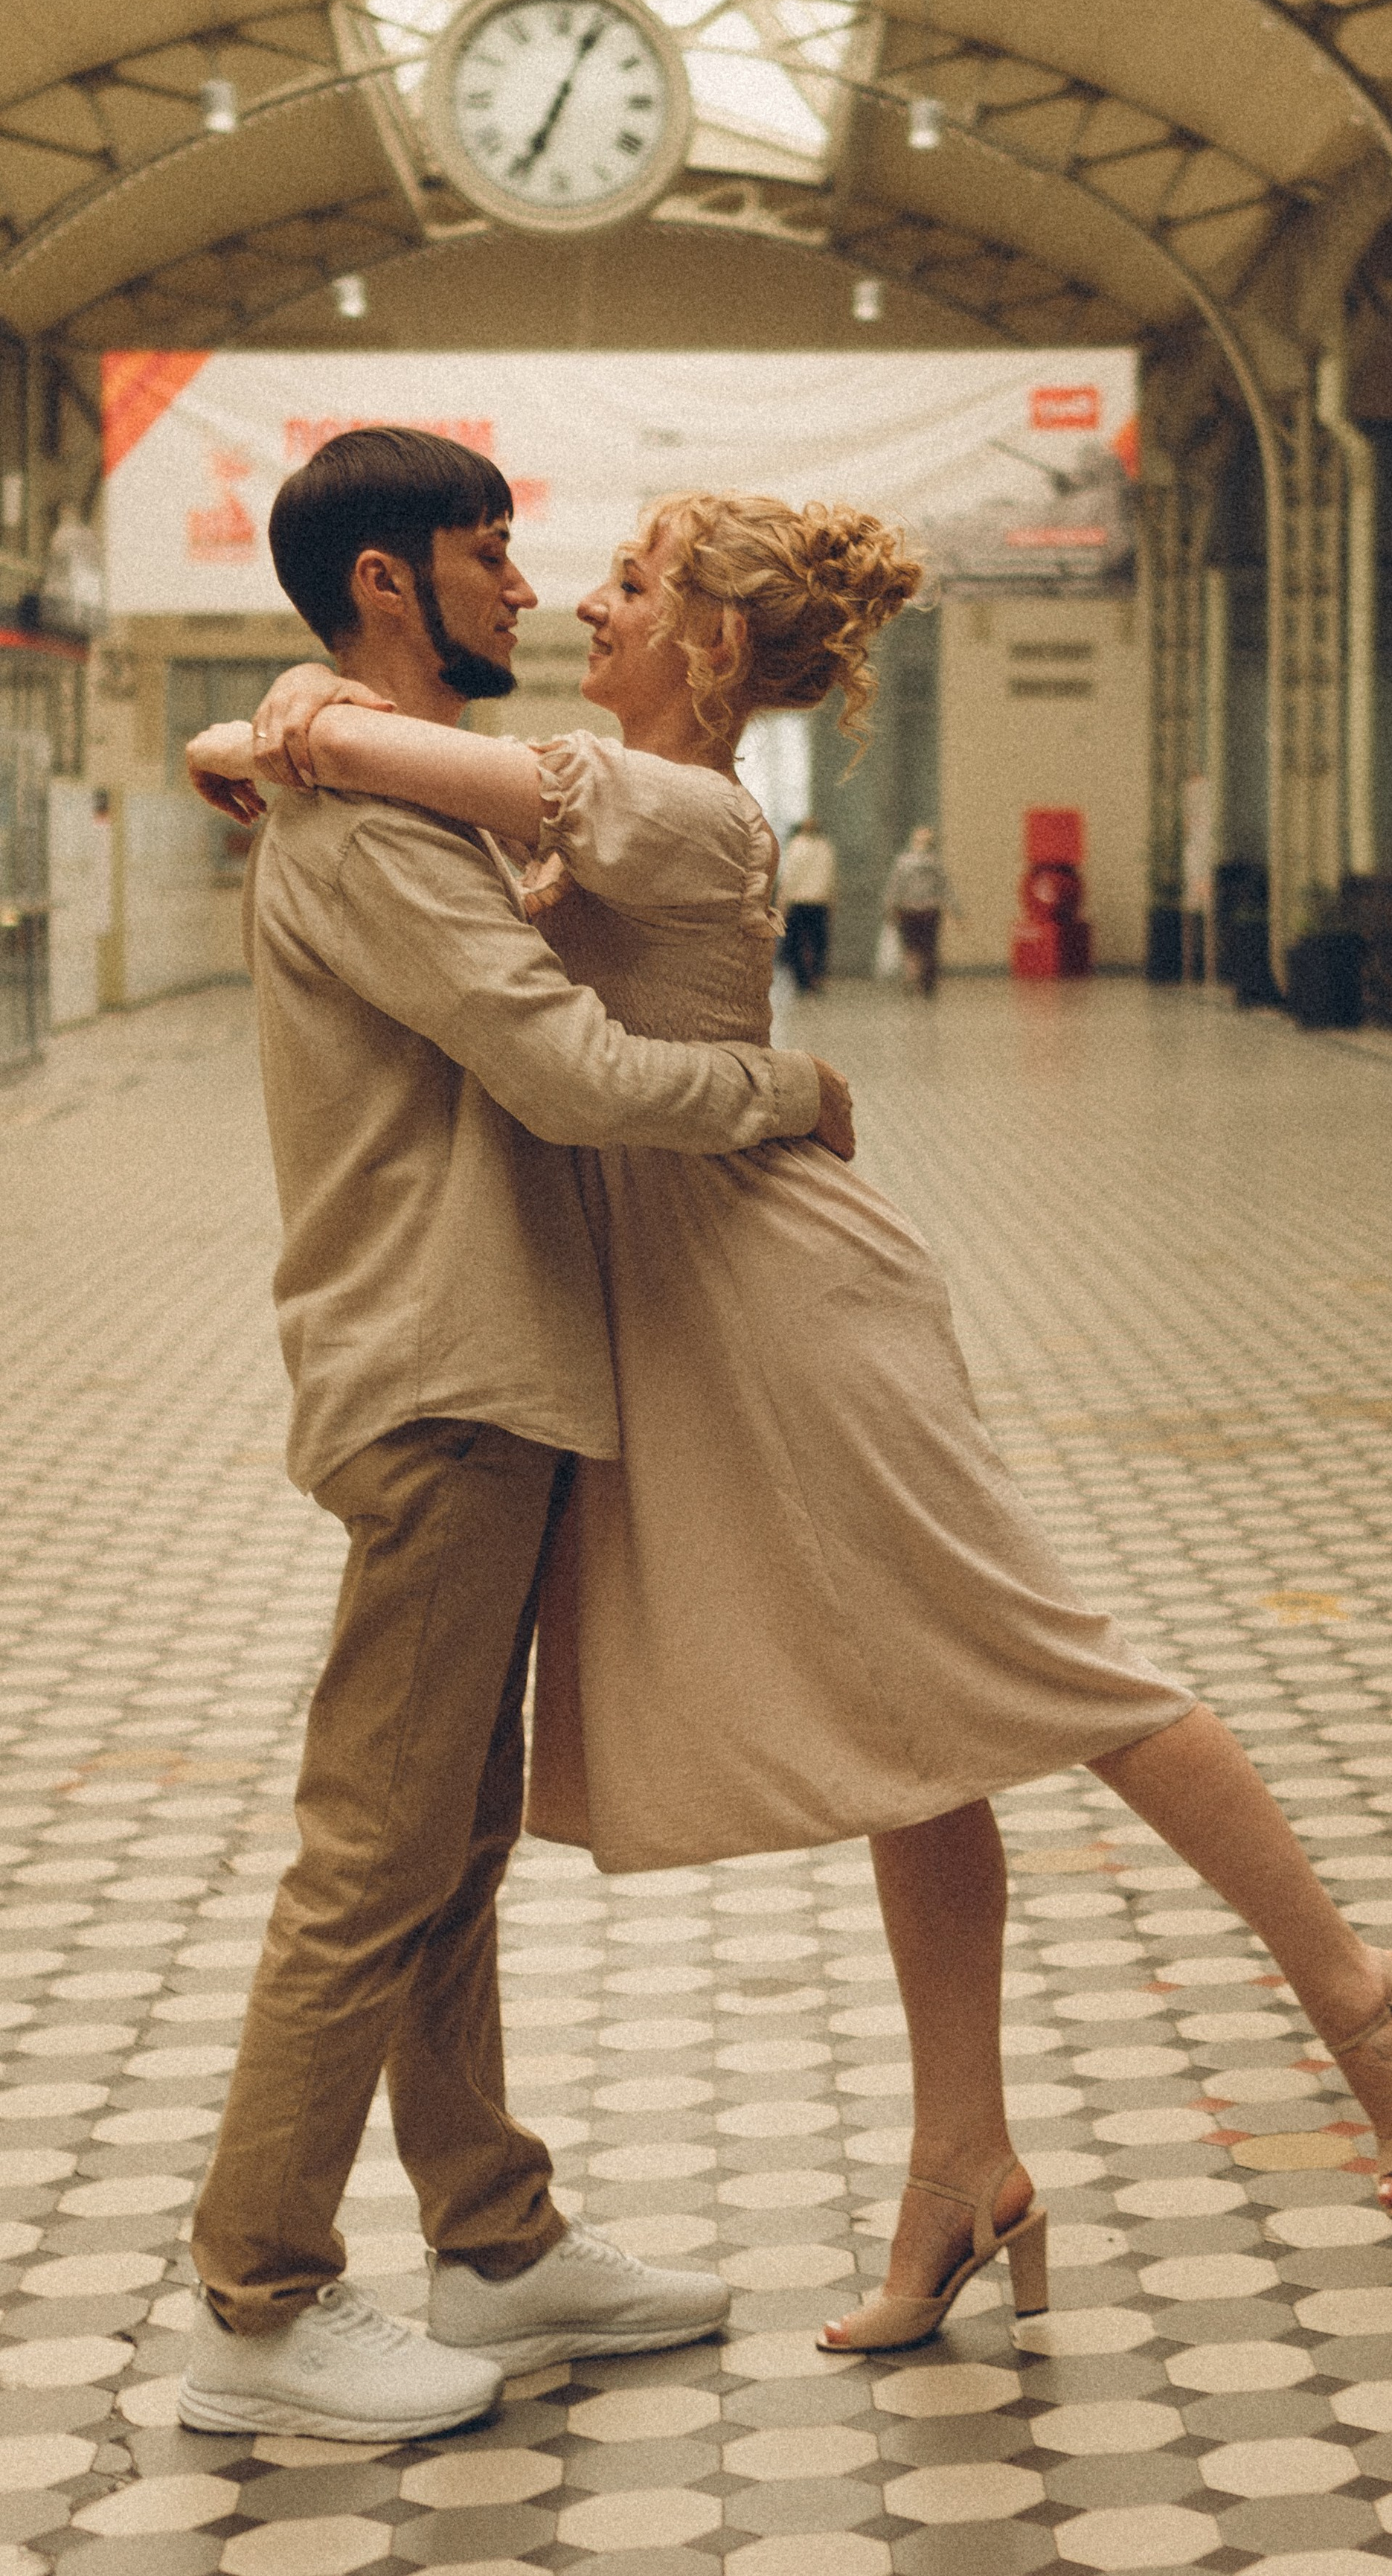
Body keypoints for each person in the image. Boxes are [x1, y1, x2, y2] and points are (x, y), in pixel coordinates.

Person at [193, 487, 1392, 2368]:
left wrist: (290, 723)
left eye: (630, 588)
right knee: (910, 1728)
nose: (583, 605)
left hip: (791, 1303)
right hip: (711, 1309)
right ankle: (957, 2161)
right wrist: (263, 725)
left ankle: (1360, 1999)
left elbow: (383, 764)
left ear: (709, 647)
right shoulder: (604, 792)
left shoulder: (678, 801)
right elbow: (337, 756)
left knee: (1048, 1666)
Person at [178, 433, 853, 2444]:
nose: (526, 587)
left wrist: (283, 718)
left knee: (446, 1849)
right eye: (485, 556)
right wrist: (785, 1090)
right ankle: (257, 2301)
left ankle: (491, 2238)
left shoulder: (380, 789)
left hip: (488, 1365)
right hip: (442, 1370)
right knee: (375, 1853)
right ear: (391, 584)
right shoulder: (374, 828)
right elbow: (563, 1070)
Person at [882, 822, 958, 993]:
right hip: (910, 910)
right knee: (912, 947)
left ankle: (925, 982)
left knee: (926, 948)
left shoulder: (934, 863)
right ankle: (912, 978)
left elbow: (944, 887)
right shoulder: (904, 862)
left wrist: (955, 909)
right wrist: (890, 906)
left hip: (928, 911)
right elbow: (895, 886)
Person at [776, 814, 835, 992]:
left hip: (799, 901)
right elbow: (831, 878)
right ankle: (815, 978)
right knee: (818, 942)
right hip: (819, 901)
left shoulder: (796, 847)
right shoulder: (826, 847)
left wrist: (782, 901)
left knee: (797, 942)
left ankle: (802, 979)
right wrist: (832, 900)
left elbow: (788, 877)